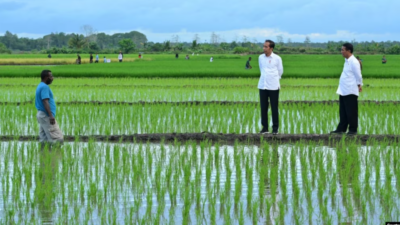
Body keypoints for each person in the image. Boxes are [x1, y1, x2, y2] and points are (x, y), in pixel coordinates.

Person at [330, 43, 363, 136]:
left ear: (349, 51)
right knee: (343, 111)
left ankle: (353, 130)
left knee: (351, 111)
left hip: (350, 90)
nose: (341, 52)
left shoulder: (354, 62)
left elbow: (358, 75)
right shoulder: (346, 60)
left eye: (343, 50)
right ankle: (341, 128)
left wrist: (359, 85)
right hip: (343, 90)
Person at [258, 40, 283, 135]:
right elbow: (261, 69)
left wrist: (274, 79)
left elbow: (280, 71)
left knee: (274, 108)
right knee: (263, 107)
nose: (264, 48)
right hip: (262, 85)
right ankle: (265, 128)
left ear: (271, 48)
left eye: (266, 47)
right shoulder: (260, 57)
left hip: (273, 86)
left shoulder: (277, 58)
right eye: (263, 46)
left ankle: (275, 129)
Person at [35, 70, 64, 150]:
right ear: (46, 77)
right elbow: (45, 101)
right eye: (51, 76)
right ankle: (54, 158)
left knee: (44, 140)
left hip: (42, 115)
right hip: (46, 115)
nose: (52, 78)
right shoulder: (44, 87)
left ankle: (44, 158)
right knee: (58, 139)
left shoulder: (40, 85)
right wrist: (51, 115)